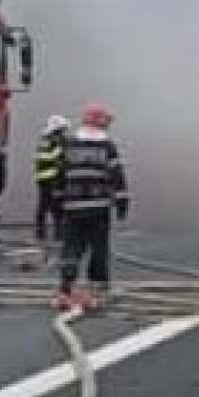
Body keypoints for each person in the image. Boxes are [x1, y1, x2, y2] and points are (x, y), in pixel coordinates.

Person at [56, 102, 128, 309]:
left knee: (71, 246)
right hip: (98, 207)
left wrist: (58, 202)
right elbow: (116, 175)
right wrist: (122, 201)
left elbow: (60, 176)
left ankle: (66, 287)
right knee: (98, 246)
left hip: (72, 207)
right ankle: (98, 287)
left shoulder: (69, 144)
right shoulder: (106, 146)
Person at [34, 114, 70, 242]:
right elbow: (62, 161)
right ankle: (59, 235)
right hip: (54, 179)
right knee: (57, 208)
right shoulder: (57, 142)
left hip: (42, 179)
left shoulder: (45, 141)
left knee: (42, 208)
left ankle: (40, 234)